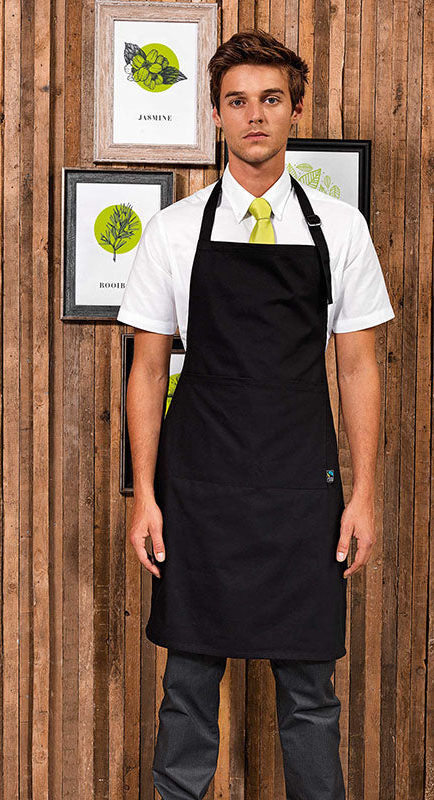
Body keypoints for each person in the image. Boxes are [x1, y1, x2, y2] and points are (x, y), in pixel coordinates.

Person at [116, 28, 395, 800]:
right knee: (186, 692)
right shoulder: (173, 231)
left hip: (303, 489)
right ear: (215, 117)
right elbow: (145, 370)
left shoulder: (340, 229)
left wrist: (363, 495)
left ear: (294, 111)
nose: (254, 116)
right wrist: (146, 493)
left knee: (310, 699)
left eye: (270, 100)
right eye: (237, 102)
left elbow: (358, 367)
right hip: (199, 488)